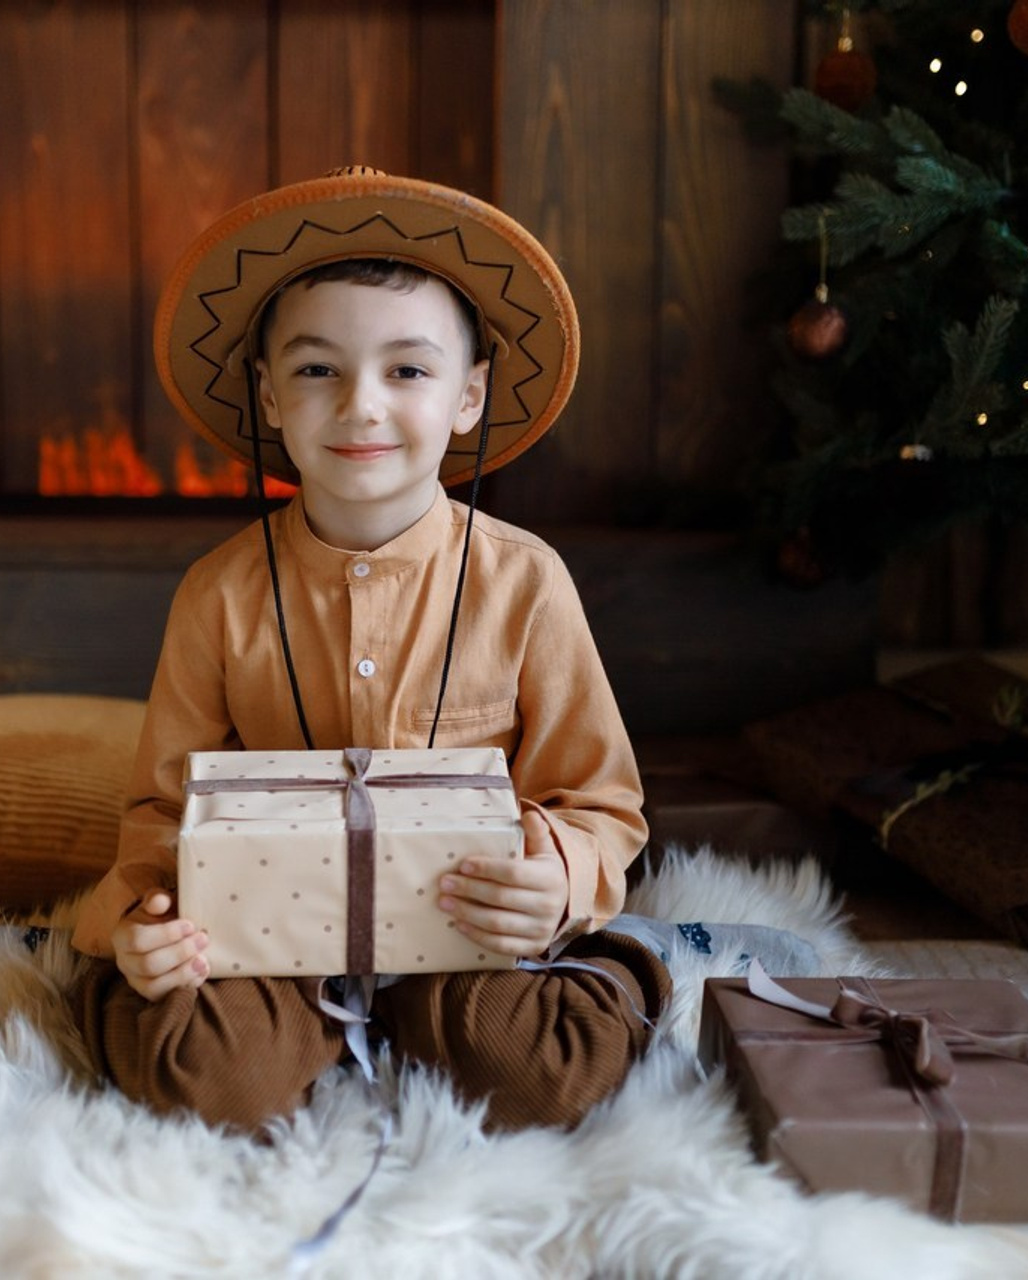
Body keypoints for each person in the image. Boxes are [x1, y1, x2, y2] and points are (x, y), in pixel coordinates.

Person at [68, 166, 673, 1134]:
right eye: (317, 370)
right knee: (202, 1077)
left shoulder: (526, 582)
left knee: (542, 1072)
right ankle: (209, 1008)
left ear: (469, 395)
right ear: (268, 394)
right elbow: (161, 811)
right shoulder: (218, 594)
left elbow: (601, 800)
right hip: (273, 931)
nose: (360, 405)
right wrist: (145, 919)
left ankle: (609, 972)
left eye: (407, 371)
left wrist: (557, 877)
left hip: (462, 922)